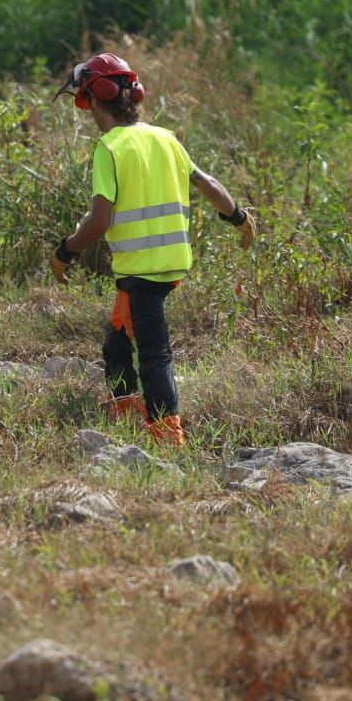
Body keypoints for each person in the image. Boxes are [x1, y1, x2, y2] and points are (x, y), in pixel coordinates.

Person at [50, 53, 255, 446]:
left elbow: (99, 221)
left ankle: (168, 438)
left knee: (154, 355)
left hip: (141, 271)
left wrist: (65, 251)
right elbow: (207, 183)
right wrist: (238, 217)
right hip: (170, 263)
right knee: (116, 341)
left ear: (94, 100)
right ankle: (126, 414)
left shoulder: (109, 147)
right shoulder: (166, 137)